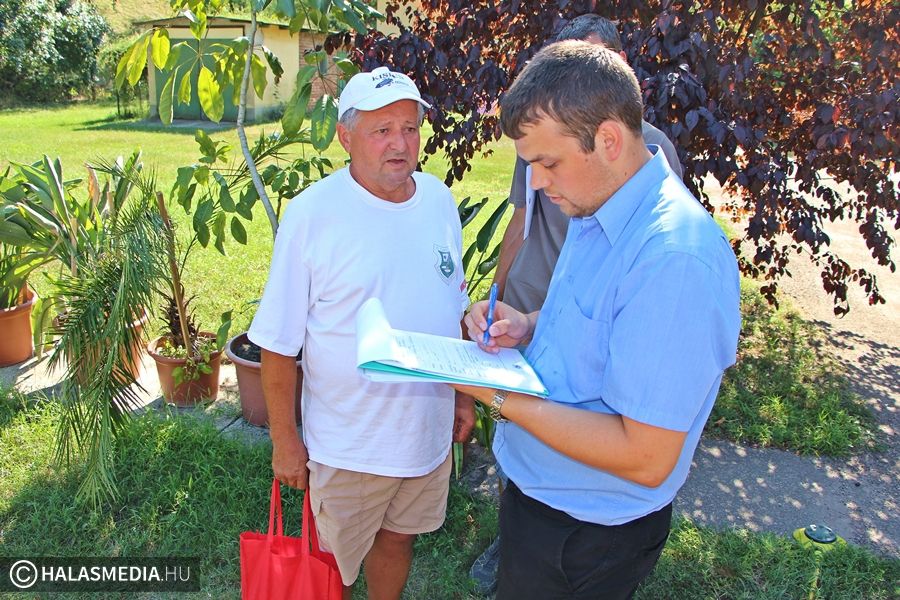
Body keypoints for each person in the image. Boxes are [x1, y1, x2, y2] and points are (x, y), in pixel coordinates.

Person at [453, 41, 741, 599]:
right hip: (547, 504)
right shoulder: (598, 206)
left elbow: (646, 456)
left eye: (548, 162)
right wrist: (529, 324)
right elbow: (604, 320)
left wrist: (497, 396)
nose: (537, 183)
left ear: (608, 140)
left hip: (585, 536)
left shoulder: (674, 260)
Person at [248, 66, 475, 600]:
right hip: (350, 445)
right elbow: (277, 342)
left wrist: (463, 396)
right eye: (382, 130)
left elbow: (453, 307)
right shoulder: (313, 214)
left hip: (424, 436)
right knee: (332, 564)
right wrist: (285, 442)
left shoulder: (438, 201)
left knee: (399, 539)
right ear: (345, 137)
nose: (400, 143)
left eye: (410, 128)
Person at [494, 13, 683, 315]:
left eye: (589, 65)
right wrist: (497, 297)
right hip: (532, 298)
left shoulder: (654, 152)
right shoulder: (540, 142)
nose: (538, 180)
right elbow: (521, 219)